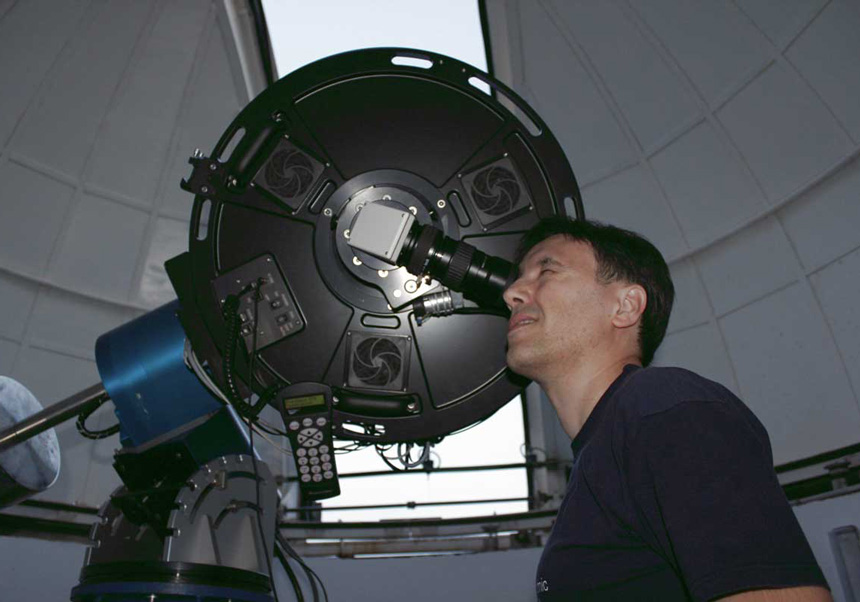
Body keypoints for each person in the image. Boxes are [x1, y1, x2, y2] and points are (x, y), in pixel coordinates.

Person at [502, 217, 831, 601]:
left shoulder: (664, 406)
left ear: (625, 307)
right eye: (519, 278)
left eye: (547, 270)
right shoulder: (601, 453)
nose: (512, 292)